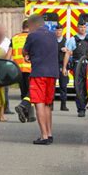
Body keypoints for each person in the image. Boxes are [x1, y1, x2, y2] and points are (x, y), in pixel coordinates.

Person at [23, 14, 59, 145]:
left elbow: (25, 51)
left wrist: (28, 56)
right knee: (48, 104)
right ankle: (49, 134)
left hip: (39, 73)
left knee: (39, 103)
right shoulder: (53, 35)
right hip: (52, 74)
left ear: (33, 25)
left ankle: (43, 136)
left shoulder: (32, 36)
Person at [62, 20, 88, 118]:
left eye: (84, 27)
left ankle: (86, 103)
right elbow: (67, 54)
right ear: (77, 28)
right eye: (80, 27)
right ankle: (81, 109)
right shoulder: (72, 40)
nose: (82, 29)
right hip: (77, 66)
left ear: (86, 28)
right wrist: (64, 67)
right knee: (78, 88)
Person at [7, 19, 35, 123]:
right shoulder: (32, 37)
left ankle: (28, 115)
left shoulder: (14, 38)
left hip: (18, 70)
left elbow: (8, 55)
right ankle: (24, 108)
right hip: (30, 68)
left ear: (22, 27)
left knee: (24, 92)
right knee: (31, 91)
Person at [0, 24, 14, 115]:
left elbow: (10, 52)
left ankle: (6, 108)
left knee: (6, 89)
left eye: (3, 31)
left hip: (6, 65)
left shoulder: (8, 41)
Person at [55, 23, 70, 111]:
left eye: (60, 30)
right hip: (53, 65)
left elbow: (71, 52)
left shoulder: (66, 41)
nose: (58, 32)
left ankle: (63, 105)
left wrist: (67, 50)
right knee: (52, 86)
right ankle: (50, 105)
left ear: (62, 31)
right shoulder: (52, 40)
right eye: (57, 30)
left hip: (63, 65)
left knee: (63, 86)